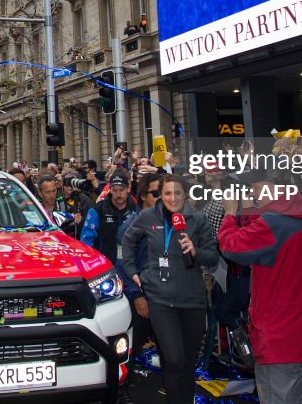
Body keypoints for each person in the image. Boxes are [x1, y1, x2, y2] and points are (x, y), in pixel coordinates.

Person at [218, 175, 302, 404]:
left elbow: (232, 246)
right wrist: (247, 210)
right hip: (283, 328)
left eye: (255, 186)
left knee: (279, 397)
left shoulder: (279, 220)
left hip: (282, 332)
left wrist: (229, 213)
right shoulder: (289, 214)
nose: (252, 193)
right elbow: (259, 238)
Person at [121, 173, 219, 403]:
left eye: (177, 193)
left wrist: (195, 251)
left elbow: (213, 257)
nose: (172, 198)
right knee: (173, 359)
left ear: (185, 194)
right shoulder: (147, 216)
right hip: (160, 299)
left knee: (186, 362)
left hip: (192, 299)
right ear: (160, 195)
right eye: (167, 193)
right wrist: (132, 271)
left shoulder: (197, 219)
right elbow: (127, 241)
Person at [116, 174, 160, 359]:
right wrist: (136, 296)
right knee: (133, 347)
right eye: (156, 193)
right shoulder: (128, 227)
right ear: (143, 196)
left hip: (163, 295)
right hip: (141, 295)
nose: (162, 197)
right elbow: (122, 264)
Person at [80, 170, 137, 262]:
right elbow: (86, 242)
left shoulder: (136, 210)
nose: (118, 194)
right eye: (114, 190)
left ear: (128, 188)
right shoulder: (97, 210)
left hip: (131, 265)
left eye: (121, 190)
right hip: (104, 266)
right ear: (109, 189)